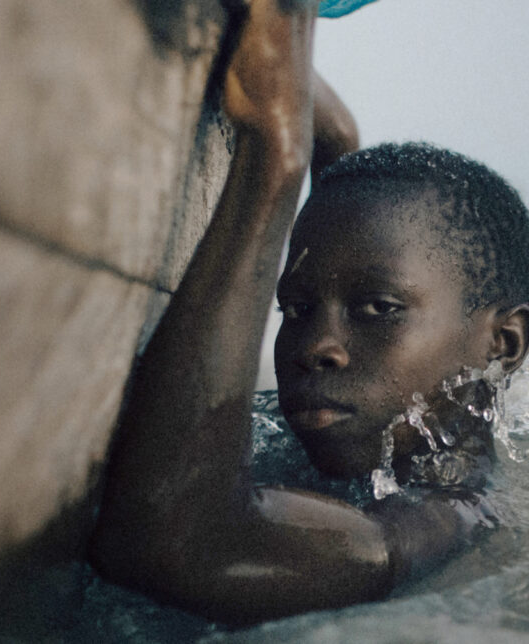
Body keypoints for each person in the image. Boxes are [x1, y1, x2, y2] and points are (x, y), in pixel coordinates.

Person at [89, 0, 529, 625]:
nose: (315, 344)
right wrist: (333, 136)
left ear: (504, 344)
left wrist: (277, 152)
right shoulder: (379, 442)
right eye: (293, 308)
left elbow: (176, 543)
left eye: (378, 308)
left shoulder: (443, 517)